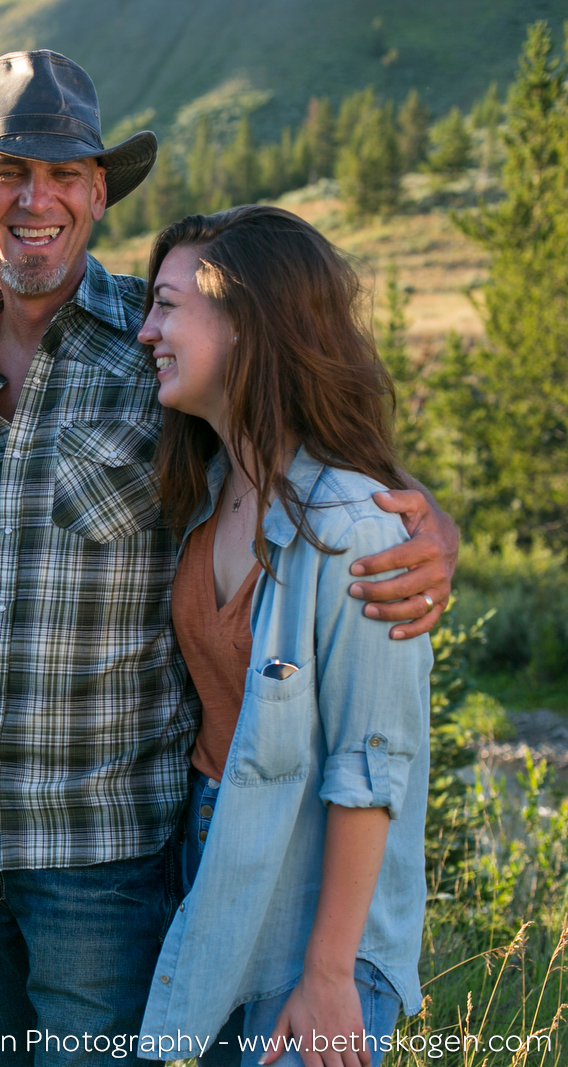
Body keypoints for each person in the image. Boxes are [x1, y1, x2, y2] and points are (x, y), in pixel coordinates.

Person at [0, 51, 458, 1065]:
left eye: (64, 172)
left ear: (97, 192)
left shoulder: (150, 355)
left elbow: (305, 443)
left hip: (102, 850)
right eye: (9, 171)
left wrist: (428, 524)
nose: (36, 196)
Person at [137, 205, 428, 1067]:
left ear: (245, 321)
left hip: (311, 906)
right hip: (213, 866)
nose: (146, 330)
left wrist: (330, 971)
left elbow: (373, 762)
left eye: (166, 305)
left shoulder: (356, 525)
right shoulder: (211, 487)